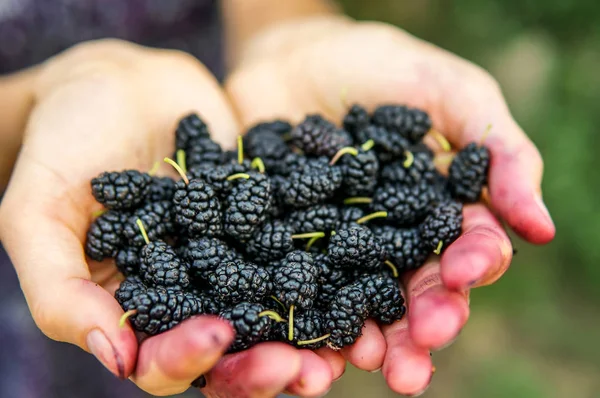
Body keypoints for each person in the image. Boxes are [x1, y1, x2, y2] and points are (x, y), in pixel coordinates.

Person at [0, 0, 556, 397]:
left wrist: (290, 29)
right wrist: (36, 101)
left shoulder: (303, 208)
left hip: (215, 103)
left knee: (198, 344)